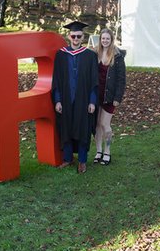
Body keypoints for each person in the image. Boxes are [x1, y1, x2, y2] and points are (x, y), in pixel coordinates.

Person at [52, 20, 98, 174]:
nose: (76, 39)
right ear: (69, 36)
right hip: (66, 98)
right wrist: (57, 99)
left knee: (83, 128)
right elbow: (56, 79)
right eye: (73, 36)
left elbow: (94, 81)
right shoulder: (61, 55)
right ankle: (67, 158)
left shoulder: (90, 56)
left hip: (83, 100)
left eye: (79, 36)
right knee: (66, 127)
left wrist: (92, 101)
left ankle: (83, 161)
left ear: (83, 36)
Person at [93, 28, 126, 165]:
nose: (105, 41)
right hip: (96, 95)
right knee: (96, 125)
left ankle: (107, 151)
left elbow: (121, 79)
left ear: (112, 40)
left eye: (107, 38)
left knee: (105, 124)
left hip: (110, 96)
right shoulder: (95, 54)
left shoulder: (117, 57)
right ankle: (98, 151)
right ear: (100, 40)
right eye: (103, 38)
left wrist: (118, 98)